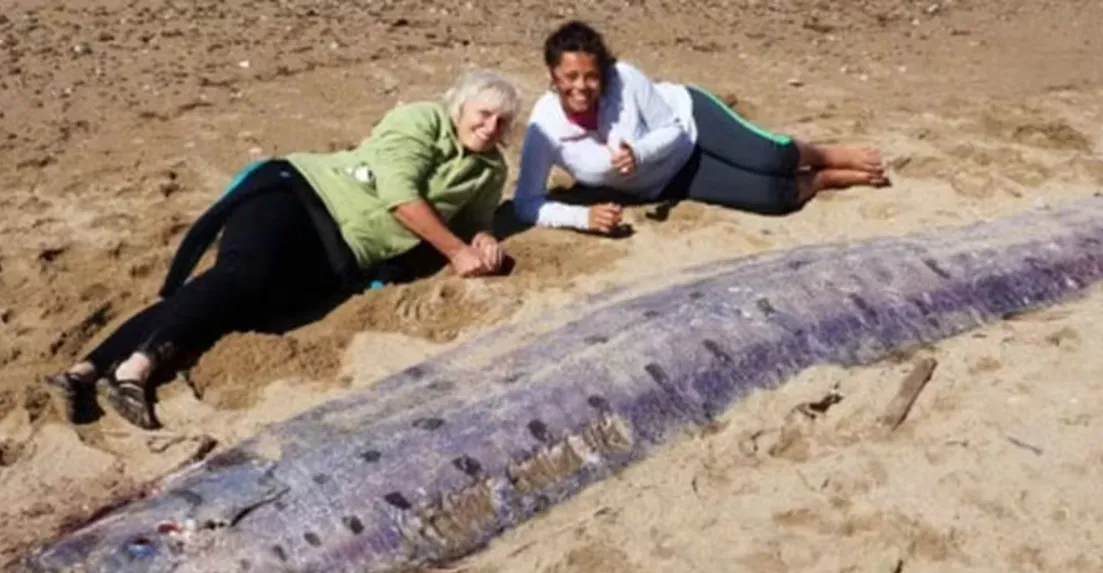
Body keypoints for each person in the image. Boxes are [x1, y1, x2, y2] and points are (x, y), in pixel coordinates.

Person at [45, 69, 523, 430]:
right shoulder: (420, 120)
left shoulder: (490, 170)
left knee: (239, 301)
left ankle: (83, 371)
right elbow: (400, 196)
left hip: (340, 251)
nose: (489, 126)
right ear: (460, 108)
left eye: (501, 121)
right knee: (240, 277)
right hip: (301, 195)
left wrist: (480, 240)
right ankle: (133, 371)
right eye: (482, 113)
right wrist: (457, 252)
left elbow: (476, 221)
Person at [513, 20, 890, 234]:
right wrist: (583, 218)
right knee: (773, 198)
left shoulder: (624, 79)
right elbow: (526, 204)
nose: (581, 87)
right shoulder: (544, 128)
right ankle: (825, 179)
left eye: (591, 76)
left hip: (692, 121)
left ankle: (825, 153)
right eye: (570, 77)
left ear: (603, 72)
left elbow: (672, 129)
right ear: (553, 75)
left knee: (771, 156)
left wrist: (638, 153)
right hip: (667, 182)